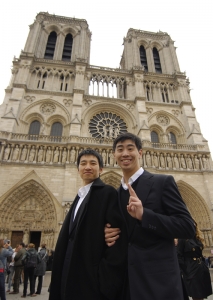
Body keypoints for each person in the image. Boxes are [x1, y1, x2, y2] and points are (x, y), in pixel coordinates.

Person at [105, 132, 195, 300]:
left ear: (140, 152)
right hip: (127, 284)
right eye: (120, 149)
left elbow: (187, 227)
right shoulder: (116, 194)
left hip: (159, 285)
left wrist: (145, 215)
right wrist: (108, 234)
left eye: (130, 148)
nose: (125, 153)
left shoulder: (162, 182)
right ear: (114, 155)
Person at [49, 149, 127, 300]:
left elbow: (117, 240)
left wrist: (105, 280)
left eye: (93, 163)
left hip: (91, 283)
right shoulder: (79, 197)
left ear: (101, 169)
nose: (88, 167)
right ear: (78, 169)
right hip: (69, 277)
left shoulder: (108, 193)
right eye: (83, 163)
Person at [177, 222, 212, 300]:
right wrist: (186, 270)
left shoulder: (197, 238)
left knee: (202, 295)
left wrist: (204, 266)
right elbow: (178, 256)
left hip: (201, 269)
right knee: (197, 296)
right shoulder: (183, 238)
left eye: (194, 225)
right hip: (191, 270)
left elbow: (200, 254)